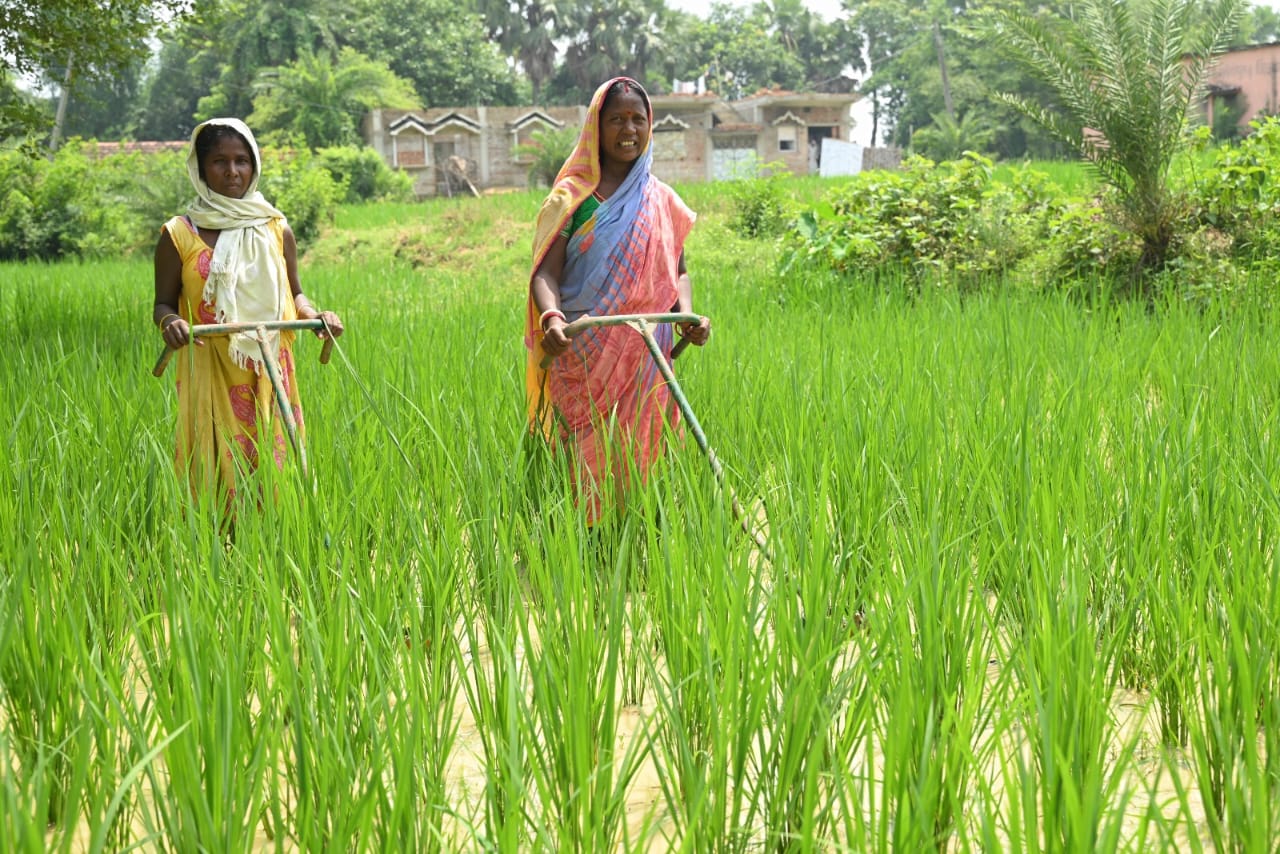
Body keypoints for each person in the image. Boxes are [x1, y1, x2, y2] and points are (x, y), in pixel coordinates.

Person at [525, 77, 711, 523]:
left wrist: (686, 315)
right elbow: (545, 273)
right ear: (596, 127)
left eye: (638, 119)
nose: (628, 129)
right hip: (585, 349)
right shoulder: (572, 200)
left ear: (650, 126)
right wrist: (551, 318)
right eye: (616, 120)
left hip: (648, 352)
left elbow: (678, 271)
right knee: (584, 464)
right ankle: (582, 553)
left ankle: (637, 546)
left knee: (643, 463)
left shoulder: (660, 199)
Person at [153, 117, 343, 502]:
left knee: (274, 478)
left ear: (253, 165)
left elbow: (297, 294)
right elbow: (162, 304)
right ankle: (210, 554)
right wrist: (170, 321)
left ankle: (275, 551)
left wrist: (315, 315)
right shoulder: (179, 234)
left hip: (269, 368)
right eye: (220, 161)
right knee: (212, 473)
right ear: (202, 168)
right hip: (209, 367)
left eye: (242, 160)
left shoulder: (275, 228)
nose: (232, 171)